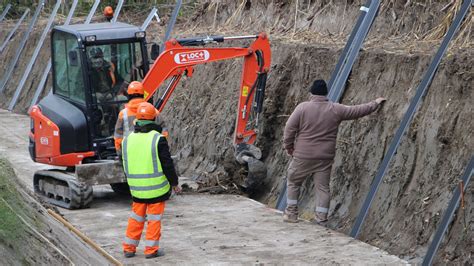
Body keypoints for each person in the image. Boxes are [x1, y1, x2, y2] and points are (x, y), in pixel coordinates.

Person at [282, 79, 386, 224]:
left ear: (311, 93)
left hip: (303, 155)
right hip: (324, 157)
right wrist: (375, 103)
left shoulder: (302, 108)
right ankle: (321, 219)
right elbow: (358, 110)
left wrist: (289, 147)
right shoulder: (335, 109)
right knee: (323, 188)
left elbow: (289, 128)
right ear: (326, 93)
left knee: (293, 181)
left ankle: (291, 214)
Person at [122, 102, 180, 259]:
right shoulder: (158, 139)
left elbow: (125, 163)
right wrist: (174, 183)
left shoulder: (127, 140)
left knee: (136, 218)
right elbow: (167, 164)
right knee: (154, 220)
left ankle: (129, 248)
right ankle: (151, 250)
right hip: (156, 189)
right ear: (154, 119)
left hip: (137, 189)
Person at [114, 81, 168, 154]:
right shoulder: (154, 111)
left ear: (129, 95)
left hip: (130, 153)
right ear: (143, 94)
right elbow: (164, 132)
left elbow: (118, 136)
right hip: (151, 152)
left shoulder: (123, 114)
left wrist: (120, 153)